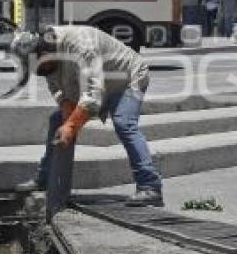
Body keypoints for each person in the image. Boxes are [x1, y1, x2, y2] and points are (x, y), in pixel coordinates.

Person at [11, 26, 163, 207]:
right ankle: (45, 178)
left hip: (128, 78)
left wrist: (71, 126)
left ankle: (150, 187)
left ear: (45, 53)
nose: (37, 71)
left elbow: (93, 95)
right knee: (57, 120)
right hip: (99, 83)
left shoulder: (82, 46)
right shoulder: (44, 55)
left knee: (124, 123)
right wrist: (67, 114)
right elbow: (58, 89)